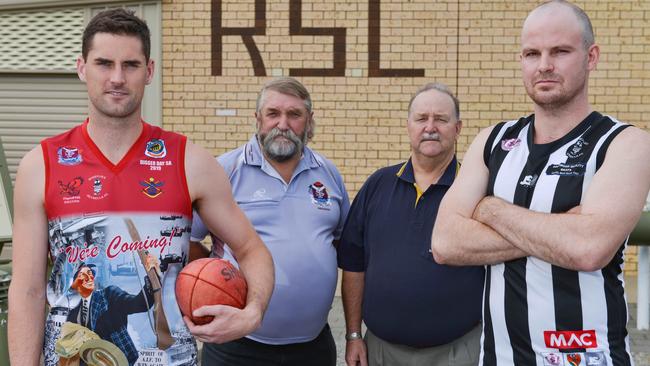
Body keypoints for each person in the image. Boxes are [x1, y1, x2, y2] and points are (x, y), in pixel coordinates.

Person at [8, 8, 274, 366]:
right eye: (104, 63)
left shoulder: (189, 161)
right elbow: (27, 290)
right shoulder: (41, 165)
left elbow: (251, 249)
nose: (117, 78)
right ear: (81, 67)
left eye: (130, 65)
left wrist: (253, 312)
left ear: (149, 71)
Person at [431, 1, 650, 365]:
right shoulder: (493, 140)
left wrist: (488, 208)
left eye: (560, 51)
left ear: (591, 57)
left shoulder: (625, 143)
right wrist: (563, 224)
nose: (544, 65)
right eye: (532, 53)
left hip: (589, 355)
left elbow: (588, 250)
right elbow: (445, 243)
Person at [190, 77, 350, 366]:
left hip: (313, 346)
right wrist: (215, 275)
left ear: (309, 121)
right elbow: (188, 240)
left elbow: (339, 243)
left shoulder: (328, 174)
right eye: (273, 114)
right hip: (238, 346)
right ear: (258, 119)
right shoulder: (225, 170)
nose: (283, 124)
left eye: (294, 114)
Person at [337, 83, 485, 366]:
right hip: (381, 352)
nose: (430, 127)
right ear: (409, 126)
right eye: (421, 119)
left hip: (457, 353)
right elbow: (354, 265)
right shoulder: (378, 184)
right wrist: (354, 334)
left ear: (458, 128)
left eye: (441, 119)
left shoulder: (476, 190)